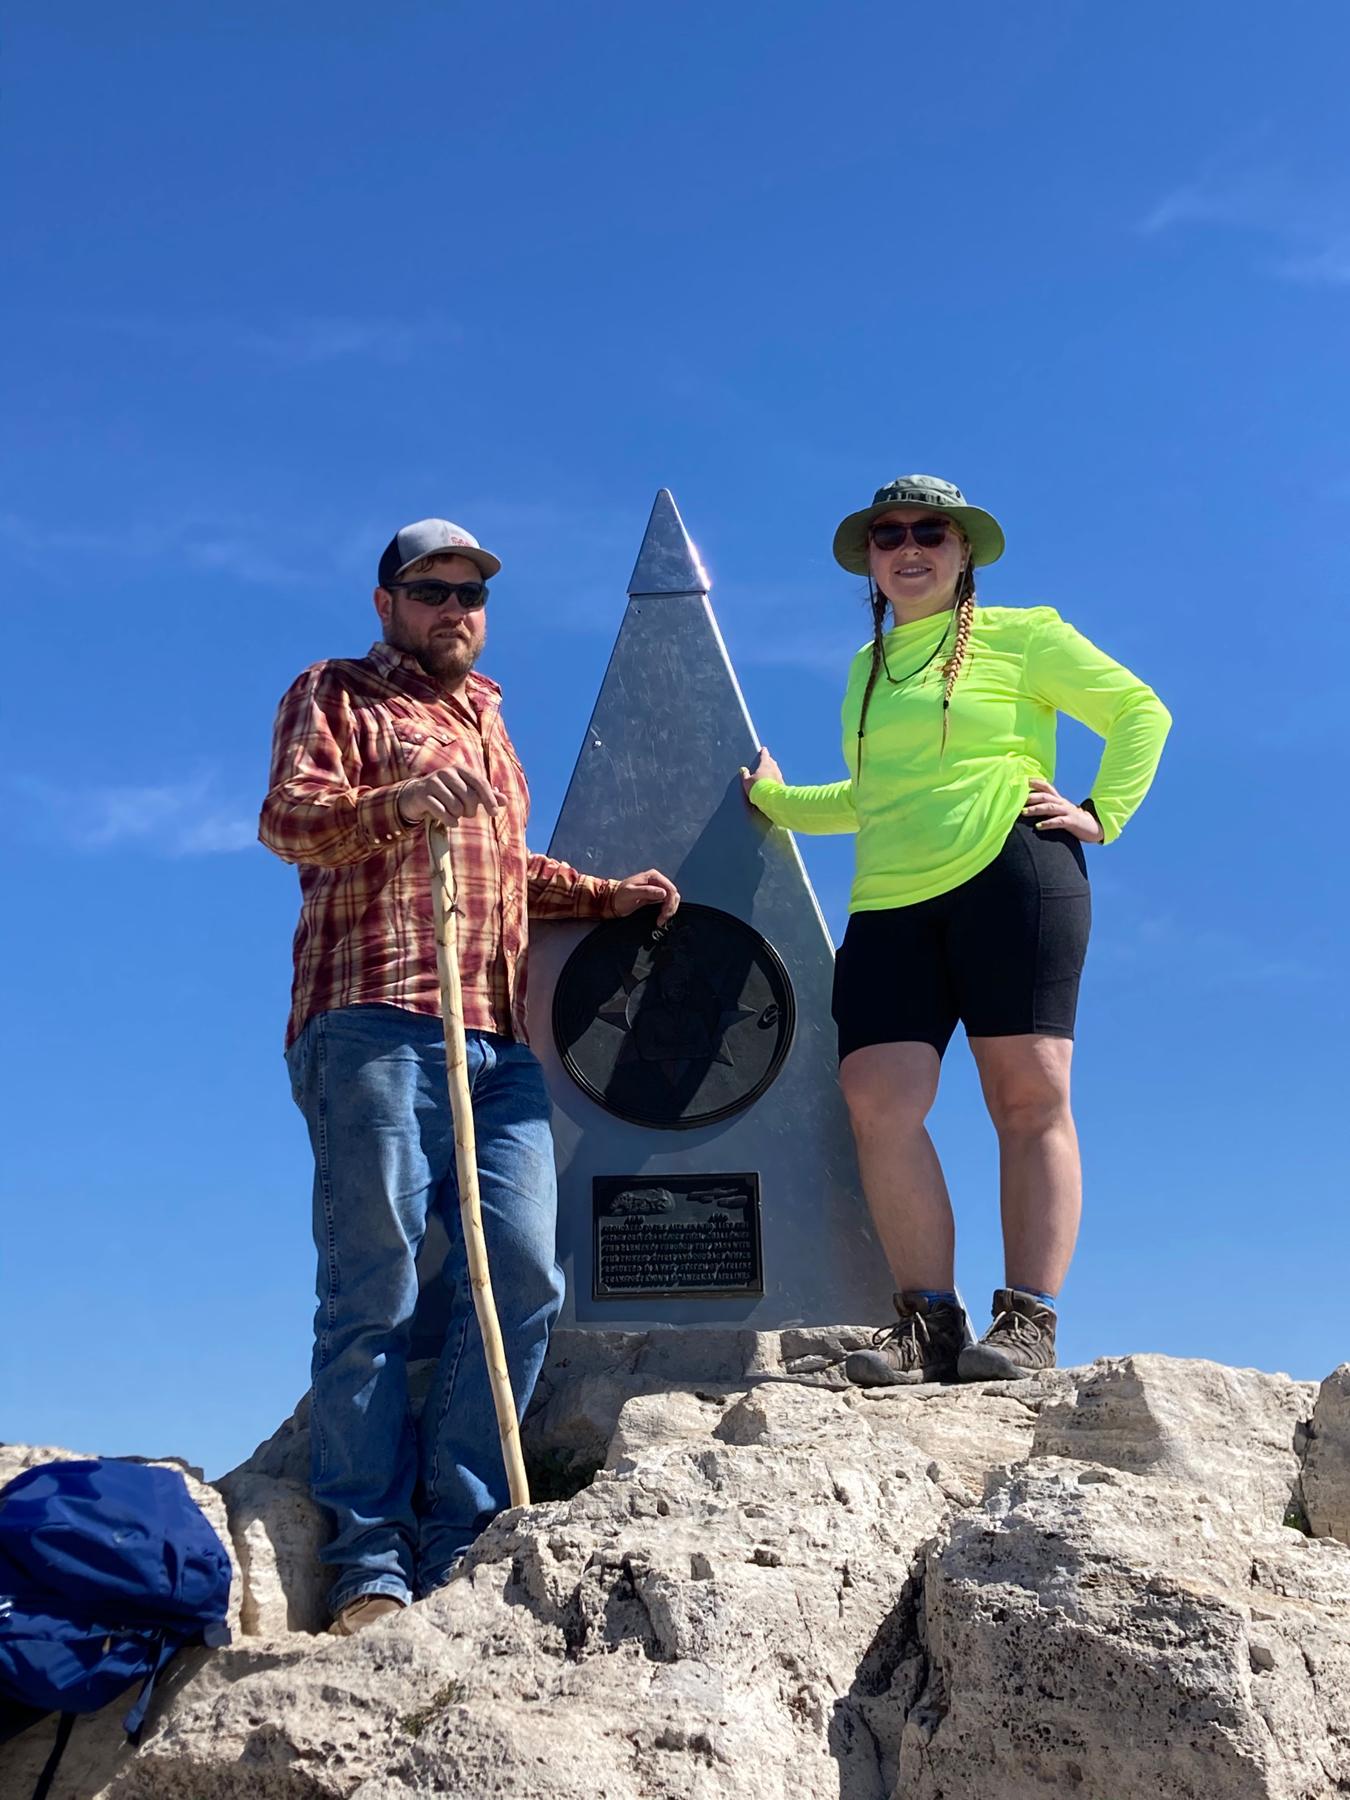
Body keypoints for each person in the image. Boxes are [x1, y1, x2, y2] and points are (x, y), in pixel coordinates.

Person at [260, 517, 679, 1634]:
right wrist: (398, 805)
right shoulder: (336, 691)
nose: (456, 609)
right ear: (388, 601)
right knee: (377, 1288)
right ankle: (367, 1560)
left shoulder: (489, 717)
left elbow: (501, 871)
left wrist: (599, 897)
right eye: (432, 589)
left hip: (494, 1039)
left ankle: (465, 1529)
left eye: (471, 594)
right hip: (372, 1023)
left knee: (526, 1270)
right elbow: (288, 821)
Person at [742, 475, 1169, 1386]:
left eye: (931, 531)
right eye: (887, 533)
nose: (909, 546)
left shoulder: (1026, 635)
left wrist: (1104, 811)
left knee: (1027, 1095)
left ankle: (1027, 1323)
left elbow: (1141, 711)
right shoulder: (868, 669)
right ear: (869, 559)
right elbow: (869, 797)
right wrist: (772, 798)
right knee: (877, 1103)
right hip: (889, 900)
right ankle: (928, 1322)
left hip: (1012, 873)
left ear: (963, 548)